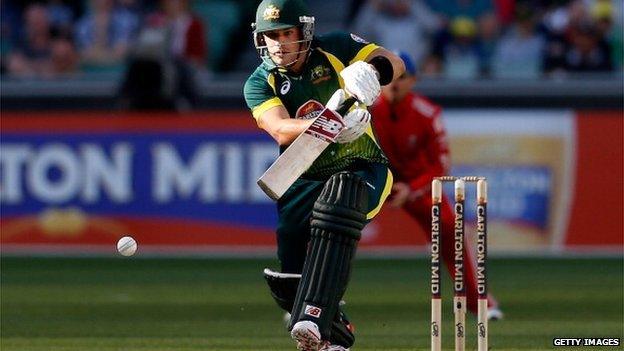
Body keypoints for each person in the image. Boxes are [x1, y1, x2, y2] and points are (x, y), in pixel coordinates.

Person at [243, 0, 405, 350]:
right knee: (290, 282)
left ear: (304, 32)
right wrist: (331, 124)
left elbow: (397, 62)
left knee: (337, 205)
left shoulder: (337, 47)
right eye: (272, 36)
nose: (280, 43)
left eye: (287, 33)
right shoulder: (259, 82)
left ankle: (315, 317)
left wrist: (373, 72)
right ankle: (336, 334)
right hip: (303, 176)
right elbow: (281, 129)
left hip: (362, 164)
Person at [370, 52, 503, 320]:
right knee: (337, 228)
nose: (394, 83)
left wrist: (412, 188)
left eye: (402, 77)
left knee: (450, 228)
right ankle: (315, 307)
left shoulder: (428, 114)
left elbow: (440, 166)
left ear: (414, 80)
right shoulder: (365, 110)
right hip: (374, 179)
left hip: (417, 185)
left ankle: (478, 302)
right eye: (388, 77)